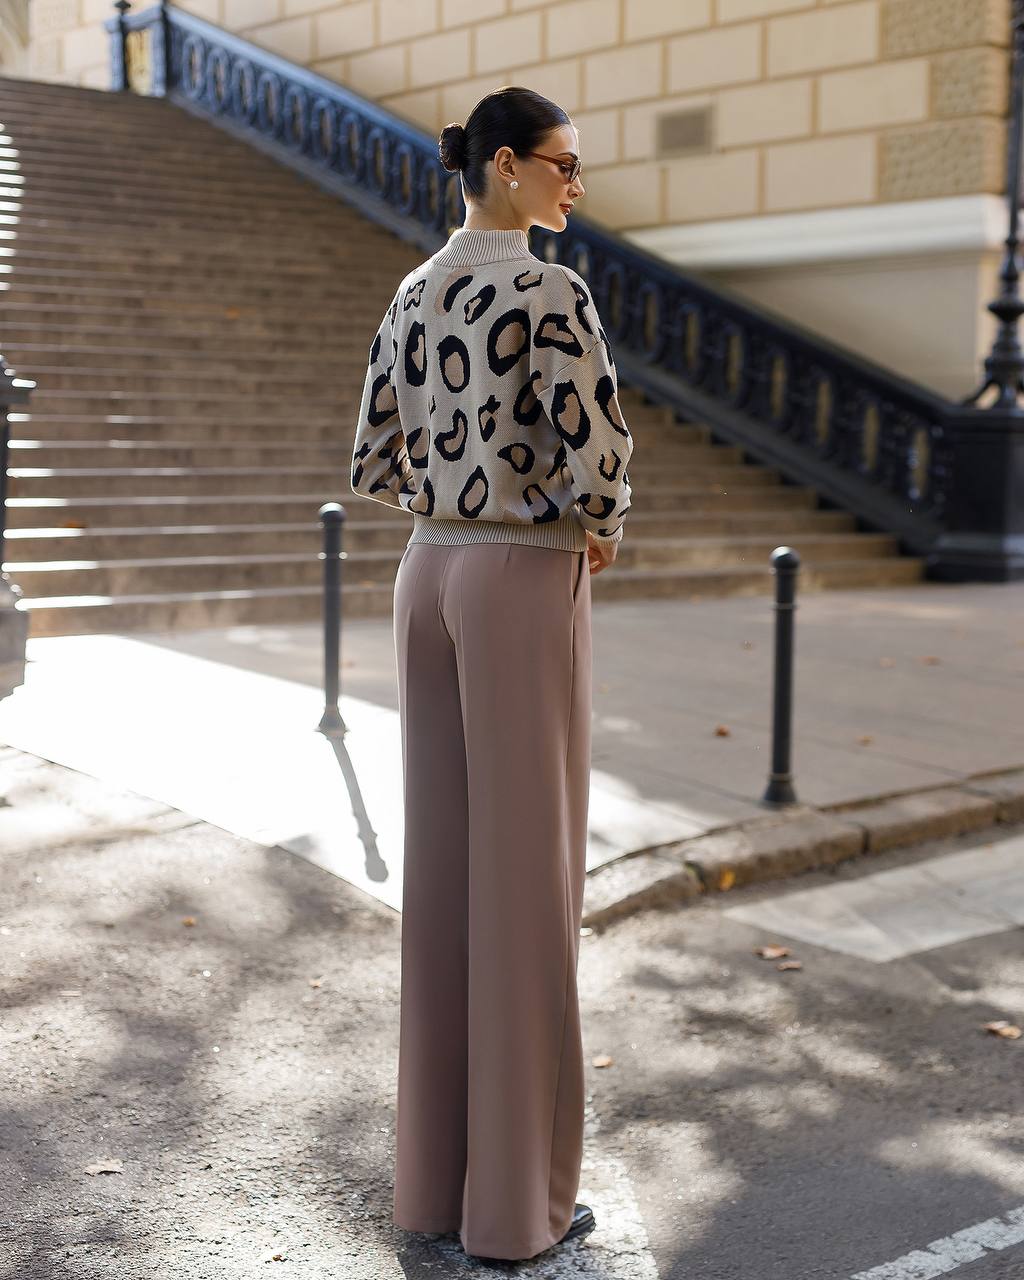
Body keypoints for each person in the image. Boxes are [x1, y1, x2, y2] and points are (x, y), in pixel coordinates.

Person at [349, 84, 633, 1263]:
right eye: (563, 163)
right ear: (507, 165)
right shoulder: (548, 289)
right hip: (520, 579)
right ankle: (515, 1213)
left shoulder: (414, 290)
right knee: (524, 893)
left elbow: (374, 452)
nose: (576, 183)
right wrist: (597, 521)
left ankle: (432, 1188)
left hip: (427, 578)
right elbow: (596, 447)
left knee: (450, 883)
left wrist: (449, 497)